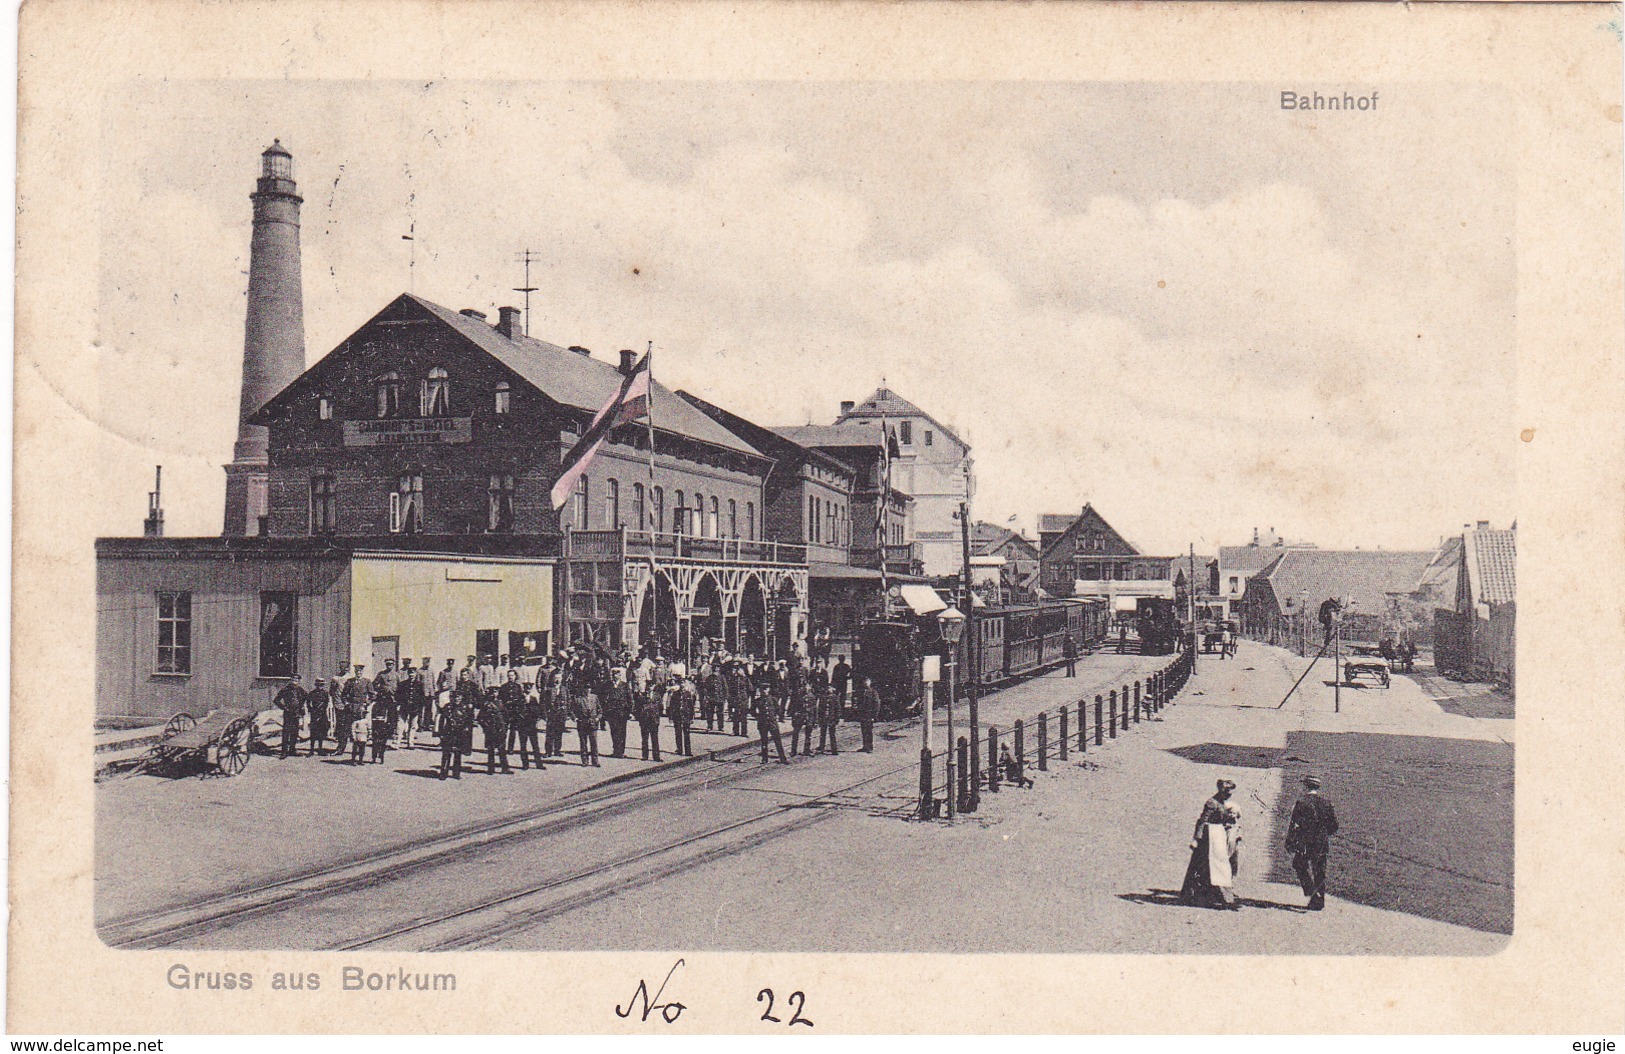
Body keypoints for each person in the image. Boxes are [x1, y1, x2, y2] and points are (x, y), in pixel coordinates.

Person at [1180, 778, 1243, 910]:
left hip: (1218, 836)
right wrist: (1196, 839)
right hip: (1209, 838)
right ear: (1222, 791)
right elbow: (1202, 821)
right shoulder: (1212, 803)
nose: (1230, 795)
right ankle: (1222, 899)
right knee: (1211, 867)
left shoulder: (1221, 803)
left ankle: (1216, 896)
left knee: (1215, 867)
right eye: (1228, 793)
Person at [1285, 774, 1339, 910]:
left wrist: (1290, 841)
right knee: (1320, 870)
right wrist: (1324, 835)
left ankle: (1311, 892)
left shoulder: (1302, 803)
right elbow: (1334, 825)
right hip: (1321, 842)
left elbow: (1294, 824)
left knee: (1299, 864)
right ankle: (1319, 901)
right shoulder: (1326, 803)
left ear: (1305, 786)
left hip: (1305, 842)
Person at [437, 679, 476, 780]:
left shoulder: (465, 708)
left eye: (458, 697)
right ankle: (443, 772)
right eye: (454, 697)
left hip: (460, 733)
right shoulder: (447, 707)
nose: (456, 699)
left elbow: (469, 720)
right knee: (446, 753)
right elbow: (442, 720)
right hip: (449, 732)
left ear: (462, 698)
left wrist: (467, 731)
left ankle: (456, 772)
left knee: (458, 754)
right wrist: (440, 732)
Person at [753, 680, 789, 764]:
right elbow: (752, 710)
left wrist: (775, 717)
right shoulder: (758, 701)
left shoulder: (773, 699)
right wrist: (758, 717)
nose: (765, 691)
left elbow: (778, 710)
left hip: (772, 723)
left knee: (777, 741)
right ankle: (764, 759)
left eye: (766, 689)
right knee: (764, 741)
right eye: (763, 689)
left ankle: (782, 758)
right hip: (763, 723)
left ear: (769, 690)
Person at [477, 691, 512, 774]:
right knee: (491, 750)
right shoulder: (486, 705)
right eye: (492, 693)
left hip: (500, 730)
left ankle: (505, 768)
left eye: (495, 692)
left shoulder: (501, 703)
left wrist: (504, 727)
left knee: (502, 750)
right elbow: (480, 718)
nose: (494, 694)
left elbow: (506, 716)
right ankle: (490, 769)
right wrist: (485, 727)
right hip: (490, 730)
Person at [603, 667, 632, 759]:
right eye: (614, 675)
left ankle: (621, 752)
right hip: (612, 712)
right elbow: (604, 698)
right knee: (614, 731)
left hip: (622, 711)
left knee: (622, 732)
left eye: (617, 675)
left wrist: (630, 711)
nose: (615, 676)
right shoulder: (608, 685)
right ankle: (616, 751)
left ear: (620, 676)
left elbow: (629, 699)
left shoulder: (625, 685)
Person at [274, 676, 306, 758]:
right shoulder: (285, 690)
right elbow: (276, 700)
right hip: (288, 713)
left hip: (296, 713)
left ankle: (292, 750)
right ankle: (284, 751)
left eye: (297, 680)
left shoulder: (300, 690)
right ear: (290, 680)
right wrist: (284, 707)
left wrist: (301, 706)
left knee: (295, 732)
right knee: (286, 732)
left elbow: (306, 697)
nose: (295, 682)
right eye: (293, 680)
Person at [667, 671, 696, 757]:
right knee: (678, 733)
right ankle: (679, 749)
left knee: (686, 733)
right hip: (677, 715)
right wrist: (670, 717)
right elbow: (671, 706)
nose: (683, 686)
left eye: (684, 684)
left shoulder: (688, 694)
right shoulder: (675, 694)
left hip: (686, 715)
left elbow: (691, 706)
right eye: (681, 684)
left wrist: (692, 717)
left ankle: (688, 751)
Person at [574, 678, 602, 767]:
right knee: (583, 743)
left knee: (594, 743)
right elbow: (572, 711)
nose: (588, 690)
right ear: (583, 689)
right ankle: (584, 761)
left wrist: (598, 718)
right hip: (582, 722)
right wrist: (575, 718)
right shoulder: (578, 699)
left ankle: (595, 761)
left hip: (593, 722)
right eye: (586, 688)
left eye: (589, 688)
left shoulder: (595, 697)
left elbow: (600, 710)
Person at [370, 680, 397, 764]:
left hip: (384, 725)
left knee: (382, 742)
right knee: (376, 741)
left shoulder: (390, 706)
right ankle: (374, 757)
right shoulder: (376, 705)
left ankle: (381, 757)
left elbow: (392, 717)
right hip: (377, 724)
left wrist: (391, 726)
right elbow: (372, 715)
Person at [637, 679, 663, 761]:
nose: (650, 687)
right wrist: (640, 718)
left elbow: (660, 707)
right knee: (645, 739)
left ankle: (656, 756)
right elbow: (637, 708)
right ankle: (645, 756)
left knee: (654, 738)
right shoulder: (641, 696)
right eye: (648, 686)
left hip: (654, 719)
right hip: (644, 720)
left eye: (651, 686)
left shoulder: (657, 695)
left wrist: (657, 716)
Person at [305, 678, 332, 756]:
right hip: (314, 714)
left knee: (322, 732)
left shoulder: (325, 693)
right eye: (319, 685)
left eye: (322, 685)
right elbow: (308, 703)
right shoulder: (312, 693)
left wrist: (322, 710)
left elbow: (326, 703)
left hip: (322, 714)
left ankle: (320, 749)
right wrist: (311, 710)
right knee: (313, 732)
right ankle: (311, 750)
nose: (320, 686)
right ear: (316, 685)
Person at [855, 676, 880, 752]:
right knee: (863, 730)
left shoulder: (873, 692)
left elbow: (877, 704)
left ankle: (870, 747)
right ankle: (865, 746)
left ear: (869, 683)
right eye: (864, 682)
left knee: (869, 731)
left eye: (867, 682)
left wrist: (874, 716)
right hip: (863, 714)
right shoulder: (861, 692)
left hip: (869, 714)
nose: (865, 683)